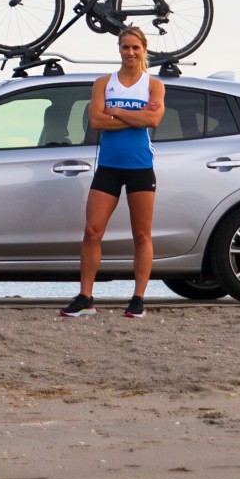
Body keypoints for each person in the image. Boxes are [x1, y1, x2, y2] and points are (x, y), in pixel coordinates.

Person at [60, 25, 165, 319]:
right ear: (118, 49)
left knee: (141, 235)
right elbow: (96, 120)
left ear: (144, 49)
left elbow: (153, 119)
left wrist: (114, 112)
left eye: (135, 48)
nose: (130, 53)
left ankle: (138, 299)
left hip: (141, 168)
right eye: (125, 47)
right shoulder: (104, 83)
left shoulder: (153, 85)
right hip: (108, 167)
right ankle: (85, 297)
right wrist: (136, 116)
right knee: (92, 231)